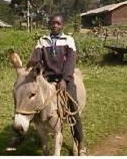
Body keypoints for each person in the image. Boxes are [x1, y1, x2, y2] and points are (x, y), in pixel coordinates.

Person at [27, 14, 86, 155]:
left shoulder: (69, 40)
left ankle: (80, 142)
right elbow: (36, 56)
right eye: (52, 23)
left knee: (73, 107)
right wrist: (31, 64)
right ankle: (24, 131)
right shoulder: (42, 41)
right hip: (46, 78)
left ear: (62, 25)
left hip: (64, 78)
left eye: (58, 23)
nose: (55, 25)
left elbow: (70, 61)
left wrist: (65, 80)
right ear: (49, 25)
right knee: (31, 100)